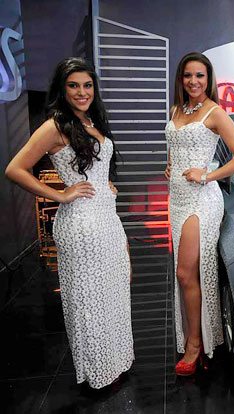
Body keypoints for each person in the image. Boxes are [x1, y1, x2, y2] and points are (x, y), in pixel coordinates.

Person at [5, 57, 133, 388]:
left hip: (106, 218)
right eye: (73, 85)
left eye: (87, 85)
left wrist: (105, 183)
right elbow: (15, 169)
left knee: (112, 292)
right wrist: (59, 194)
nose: (81, 92)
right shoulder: (55, 126)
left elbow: (95, 166)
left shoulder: (91, 120)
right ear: (62, 90)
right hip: (81, 226)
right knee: (90, 300)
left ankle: (116, 361)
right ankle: (98, 373)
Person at [165, 52, 234, 376]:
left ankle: (196, 344)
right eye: (188, 75)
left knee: (185, 273)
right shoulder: (176, 110)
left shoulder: (215, 112)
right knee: (186, 273)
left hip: (201, 200)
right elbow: (176, 146)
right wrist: (170, 165)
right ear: (181, 78)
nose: (194, 81)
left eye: (200, 75)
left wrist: (207, 175)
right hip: (176, 199)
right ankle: (195, 334)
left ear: (208, 78)